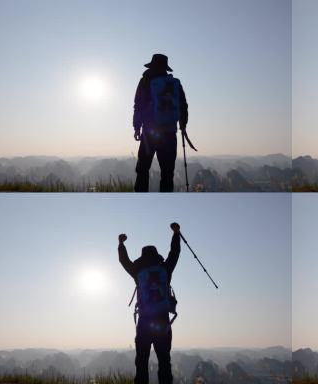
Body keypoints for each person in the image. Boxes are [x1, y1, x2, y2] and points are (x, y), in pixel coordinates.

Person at [118, 222, 181, 384]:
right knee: (164, 363)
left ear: (142, 257)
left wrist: (121, 244)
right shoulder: (165, 270)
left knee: (141, 363)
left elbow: (124, 261)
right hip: (163, 321)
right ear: (156, 256)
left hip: (144, 322)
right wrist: (176, 233)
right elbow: (175, 253)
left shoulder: (137, 271)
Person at [133, 54, 189, 192]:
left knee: (143, 169)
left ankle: (140, 202)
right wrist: (183, 124)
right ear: (166, 68)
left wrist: (137, 127)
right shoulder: (174, 84)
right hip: (169, 133)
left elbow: (138, 105)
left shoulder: (145, 81)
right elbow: (183, 105)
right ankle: (166, 205)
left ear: (151, 66)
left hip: (149, 133)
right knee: (167, 172)